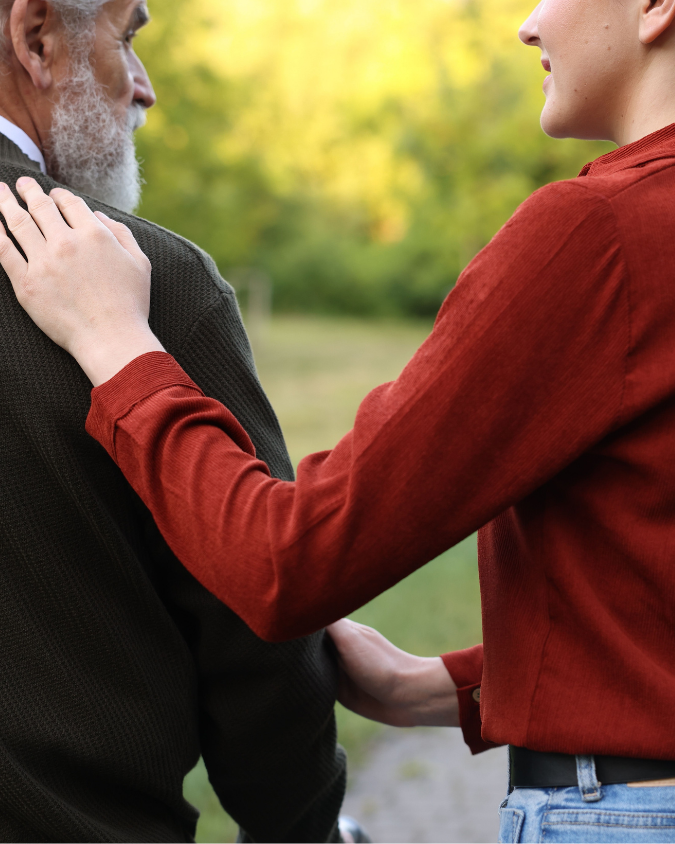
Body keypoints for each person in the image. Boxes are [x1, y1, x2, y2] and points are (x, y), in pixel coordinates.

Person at [6, 0, 675, 839]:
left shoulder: (600, 234)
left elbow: (285, 562)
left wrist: (116, 346)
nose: (528, 24)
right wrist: (451, 687)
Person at [0, 0, 351, 840]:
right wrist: (304, 827)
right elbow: (257, 638)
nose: (145, 90)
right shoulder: (153, 281)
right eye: (128, 38)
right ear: (36, 38)